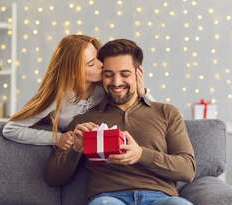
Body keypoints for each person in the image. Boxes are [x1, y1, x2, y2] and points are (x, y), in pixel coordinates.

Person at [45, 39, 196, 205]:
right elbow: (53, 178)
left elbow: (187, 170)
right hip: (109, 199)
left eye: (125, 74)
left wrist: (141, 155)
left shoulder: (166, 113)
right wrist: (76, 149)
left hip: (161, 198)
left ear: (138, 74)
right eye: (108, 75)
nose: (116, 83)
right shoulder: (85, 119)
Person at [2, 34, 146, 150]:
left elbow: (151, 115)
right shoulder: (58, 97)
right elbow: (11, 129)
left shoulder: (106, 86)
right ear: (73, 73)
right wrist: (57, 138)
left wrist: (141, 92)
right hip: (76, 154)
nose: (102, 65)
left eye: (98, 58)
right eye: (91, 63)